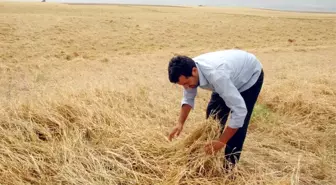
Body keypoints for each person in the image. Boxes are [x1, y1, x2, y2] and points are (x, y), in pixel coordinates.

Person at [167, 49, 264, 169]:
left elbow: (240, 111)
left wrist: (222, 141)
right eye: (183, 85)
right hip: (229, 76)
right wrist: (180, 123)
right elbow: (188, 98)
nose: (186, 87)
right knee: (213, 118)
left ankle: (228, 169)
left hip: (249, 77)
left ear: (194, 71)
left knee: (239, 127)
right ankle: (209, 157)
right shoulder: (189, 72)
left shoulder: (217, 75)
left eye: (187, 83)